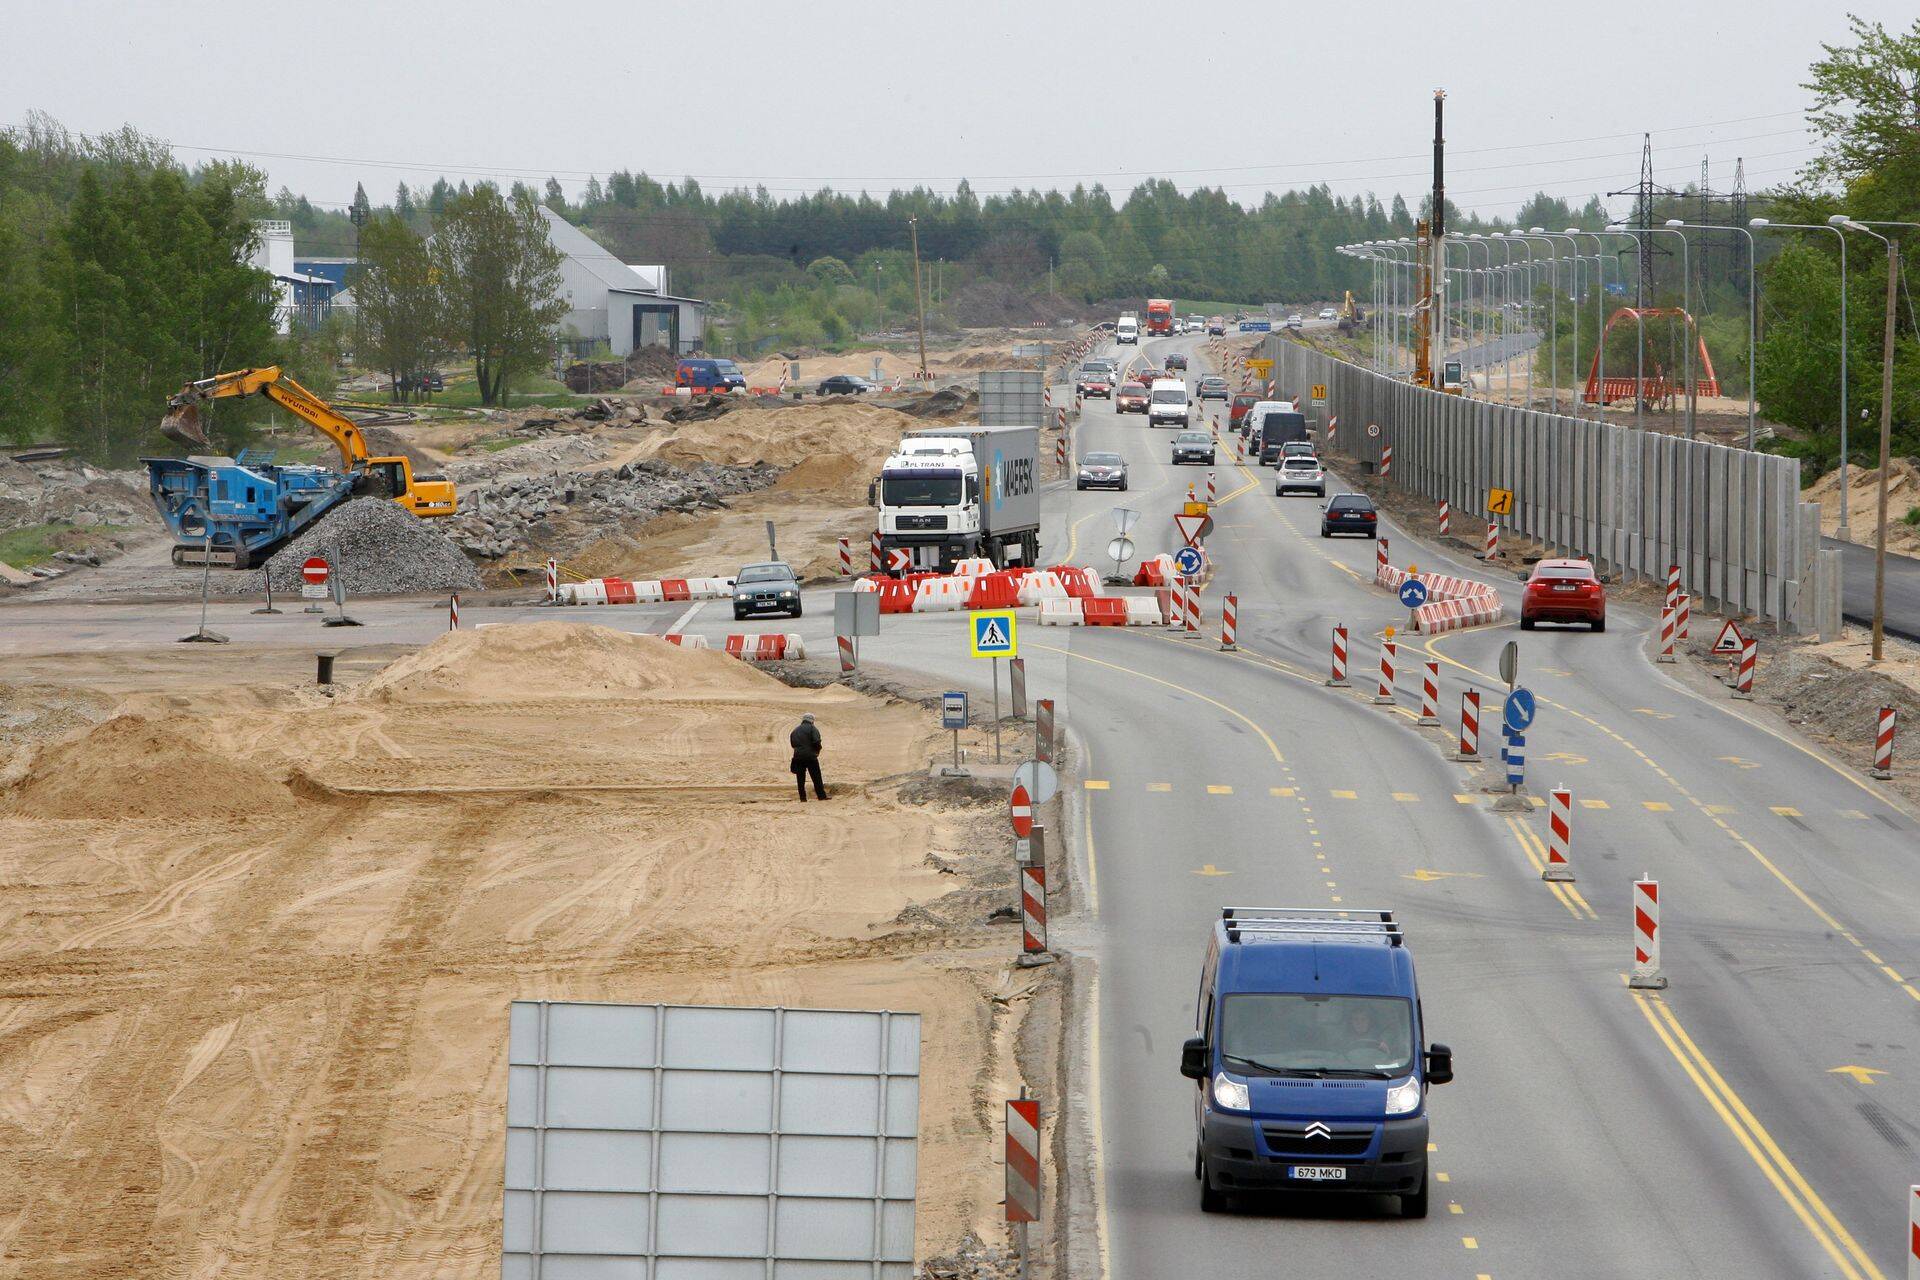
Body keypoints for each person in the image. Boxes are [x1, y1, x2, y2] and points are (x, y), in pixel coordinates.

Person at [789, 712, 828, 802]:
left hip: (798, 756)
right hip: (810, 756)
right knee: (816, 777)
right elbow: (816, 742)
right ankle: (821, 796)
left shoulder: (795, 730)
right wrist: (817, 751)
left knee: (800, 778)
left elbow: (793, 744)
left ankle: (802, 798)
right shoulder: (812, 728)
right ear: (812, 720)